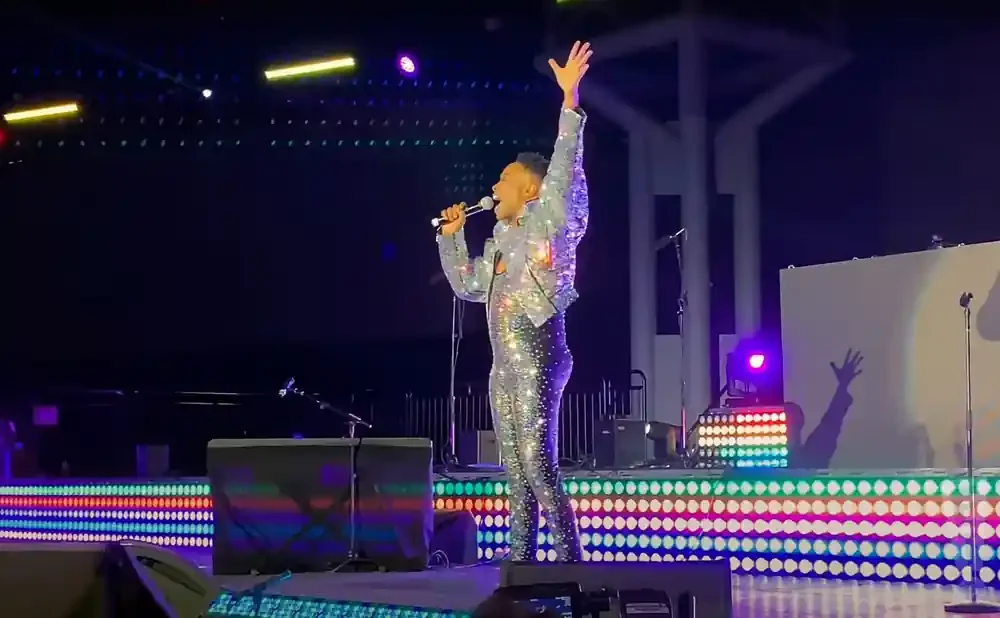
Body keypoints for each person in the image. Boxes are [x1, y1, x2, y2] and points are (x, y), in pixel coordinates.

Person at [435, 41, 592, 562]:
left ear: (529, 190)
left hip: (540, 354)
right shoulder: (498, 241)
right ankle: (522, 560)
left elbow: (565, 172)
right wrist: (452, 237)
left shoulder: (550, 223)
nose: (493, 186)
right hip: (503, 365)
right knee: (515, 469)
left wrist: (569, 102)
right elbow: (469, 286)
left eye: (503, 179)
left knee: (537, 461)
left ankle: (571, 564)